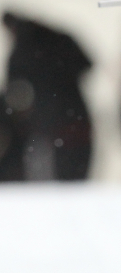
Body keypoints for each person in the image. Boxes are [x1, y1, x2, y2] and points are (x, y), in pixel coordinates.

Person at [1, 12, 93, 181]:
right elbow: (87, 64)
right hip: (74, 119)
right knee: (74, 179)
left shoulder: (21, 53)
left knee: (46, 183)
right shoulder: (59, 40)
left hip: (47, 126)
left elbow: (14, 93)